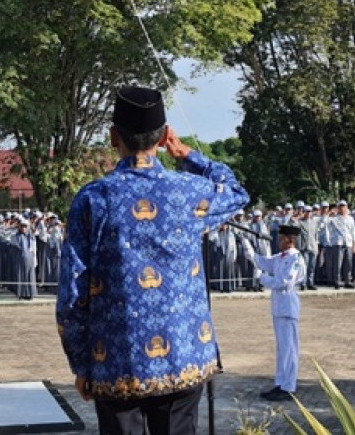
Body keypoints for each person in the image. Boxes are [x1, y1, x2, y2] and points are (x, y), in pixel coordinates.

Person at [56, 86, 249, 435]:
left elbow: (72, 292)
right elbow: (236, 192)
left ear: (114, 136)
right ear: (163, 137)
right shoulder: (190, 192)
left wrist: (81, 362)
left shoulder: (93, 199)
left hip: (115, 358)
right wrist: (188, 154)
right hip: (184, 354)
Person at [242, 224, 306, 401]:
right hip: (279, 306)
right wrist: (246, 244)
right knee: (281, 348)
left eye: (281, 238)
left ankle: (288, 386)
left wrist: (262, 278)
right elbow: (261, 261)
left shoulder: (295, 259)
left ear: (290, 240)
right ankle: (281, 382)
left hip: (288, 306)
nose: (278, 240)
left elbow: (283, 282)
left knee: (290, 348)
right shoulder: (281, 257)